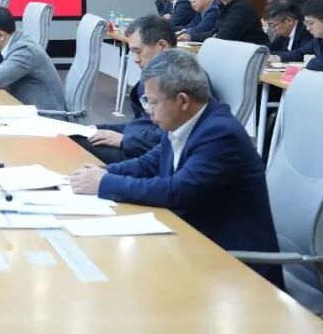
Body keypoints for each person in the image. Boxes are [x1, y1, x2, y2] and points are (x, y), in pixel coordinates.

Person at [69, 50, 282, 287]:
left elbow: (177, 191)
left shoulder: (220, 133)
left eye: (152, 101)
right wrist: (103, 172)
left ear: (182, 101)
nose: (148, 109)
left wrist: (104, 183)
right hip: (195, 242)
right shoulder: (183, 122)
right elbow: (149, 163)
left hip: (234, 268)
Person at [74, 16, 172, 164]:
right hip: (134, 143)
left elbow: (171, 139)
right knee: (75, 137)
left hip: (144, 155)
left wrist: (124, 140)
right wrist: (100, 128)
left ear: (162, 47)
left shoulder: (177, 82)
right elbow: (142, 123)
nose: (135, 59)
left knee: (73, 144)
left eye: (138, 52)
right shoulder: (156, 75)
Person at [0, 7, 66, 113]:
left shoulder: (24, 50)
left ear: (1, 35)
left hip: (45, 116)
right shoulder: (18, 40)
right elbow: (5, 68)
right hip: (28, 109)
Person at [269, 0, 323, 70]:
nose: (308, 28)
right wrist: (277, 58)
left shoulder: (306, 33)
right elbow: (302, 51)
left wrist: (310, 61)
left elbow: (322, 63)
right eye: (306, 23)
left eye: (311, 23)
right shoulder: (318, 38)